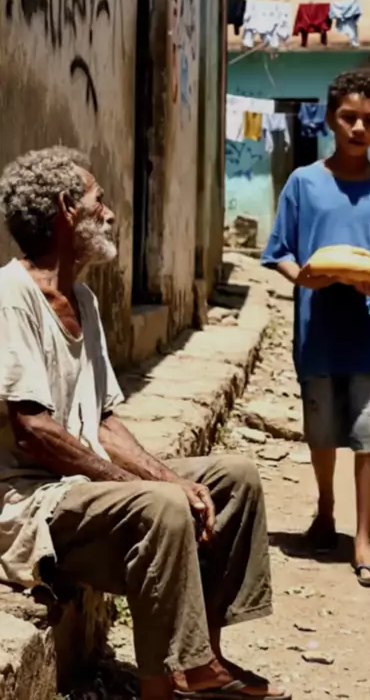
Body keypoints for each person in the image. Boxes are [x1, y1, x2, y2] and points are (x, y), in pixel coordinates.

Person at [0, 147, 290, 700]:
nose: (110, 213)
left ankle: (205, 662)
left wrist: (169, 477)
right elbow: (32, 429)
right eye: (98, 200)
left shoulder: (82, 299)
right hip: (31, 503)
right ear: (65, 209)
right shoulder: (11, 297)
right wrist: (145, 487)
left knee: (233, 479)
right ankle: (162, 688)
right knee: (162, 506)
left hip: (79, 490)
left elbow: (104, 422)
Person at [262, 71, 370, 588]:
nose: (358, 128)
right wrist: (301, 277)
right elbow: (280, 250)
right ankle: (326, 509)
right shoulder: (304, 183)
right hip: (318, 332)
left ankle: (364, 538)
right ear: (330, 118)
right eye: (349, 117)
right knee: (322, 431)